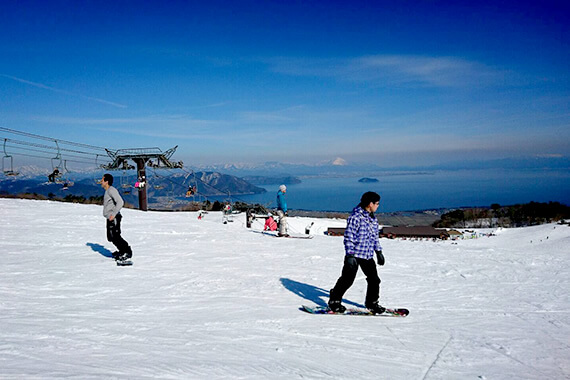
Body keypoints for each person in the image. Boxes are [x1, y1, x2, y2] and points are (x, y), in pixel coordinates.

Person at [328, 191, 386, 314]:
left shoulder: (373, 219)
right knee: (347, 279)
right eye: (377, 203)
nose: (378, 206)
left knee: (374, 280)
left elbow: (375, 237)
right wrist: (349, 255)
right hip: (354, 255)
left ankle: (372, 303)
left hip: (367, 255)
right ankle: (334, 300)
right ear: (370, 204)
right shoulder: (355, 218)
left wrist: (379, 252)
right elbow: (349, 237)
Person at [101, 173, 132, 261]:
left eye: (102, 180)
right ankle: (122, 251)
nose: (101, 182)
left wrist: (113, 214)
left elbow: (120, 202)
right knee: (111, 237)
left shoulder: (111, 190)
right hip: (110, 217)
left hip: (114, 217)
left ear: (106, 181)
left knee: (115, 236)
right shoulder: (108, 191)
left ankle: (126, 252)